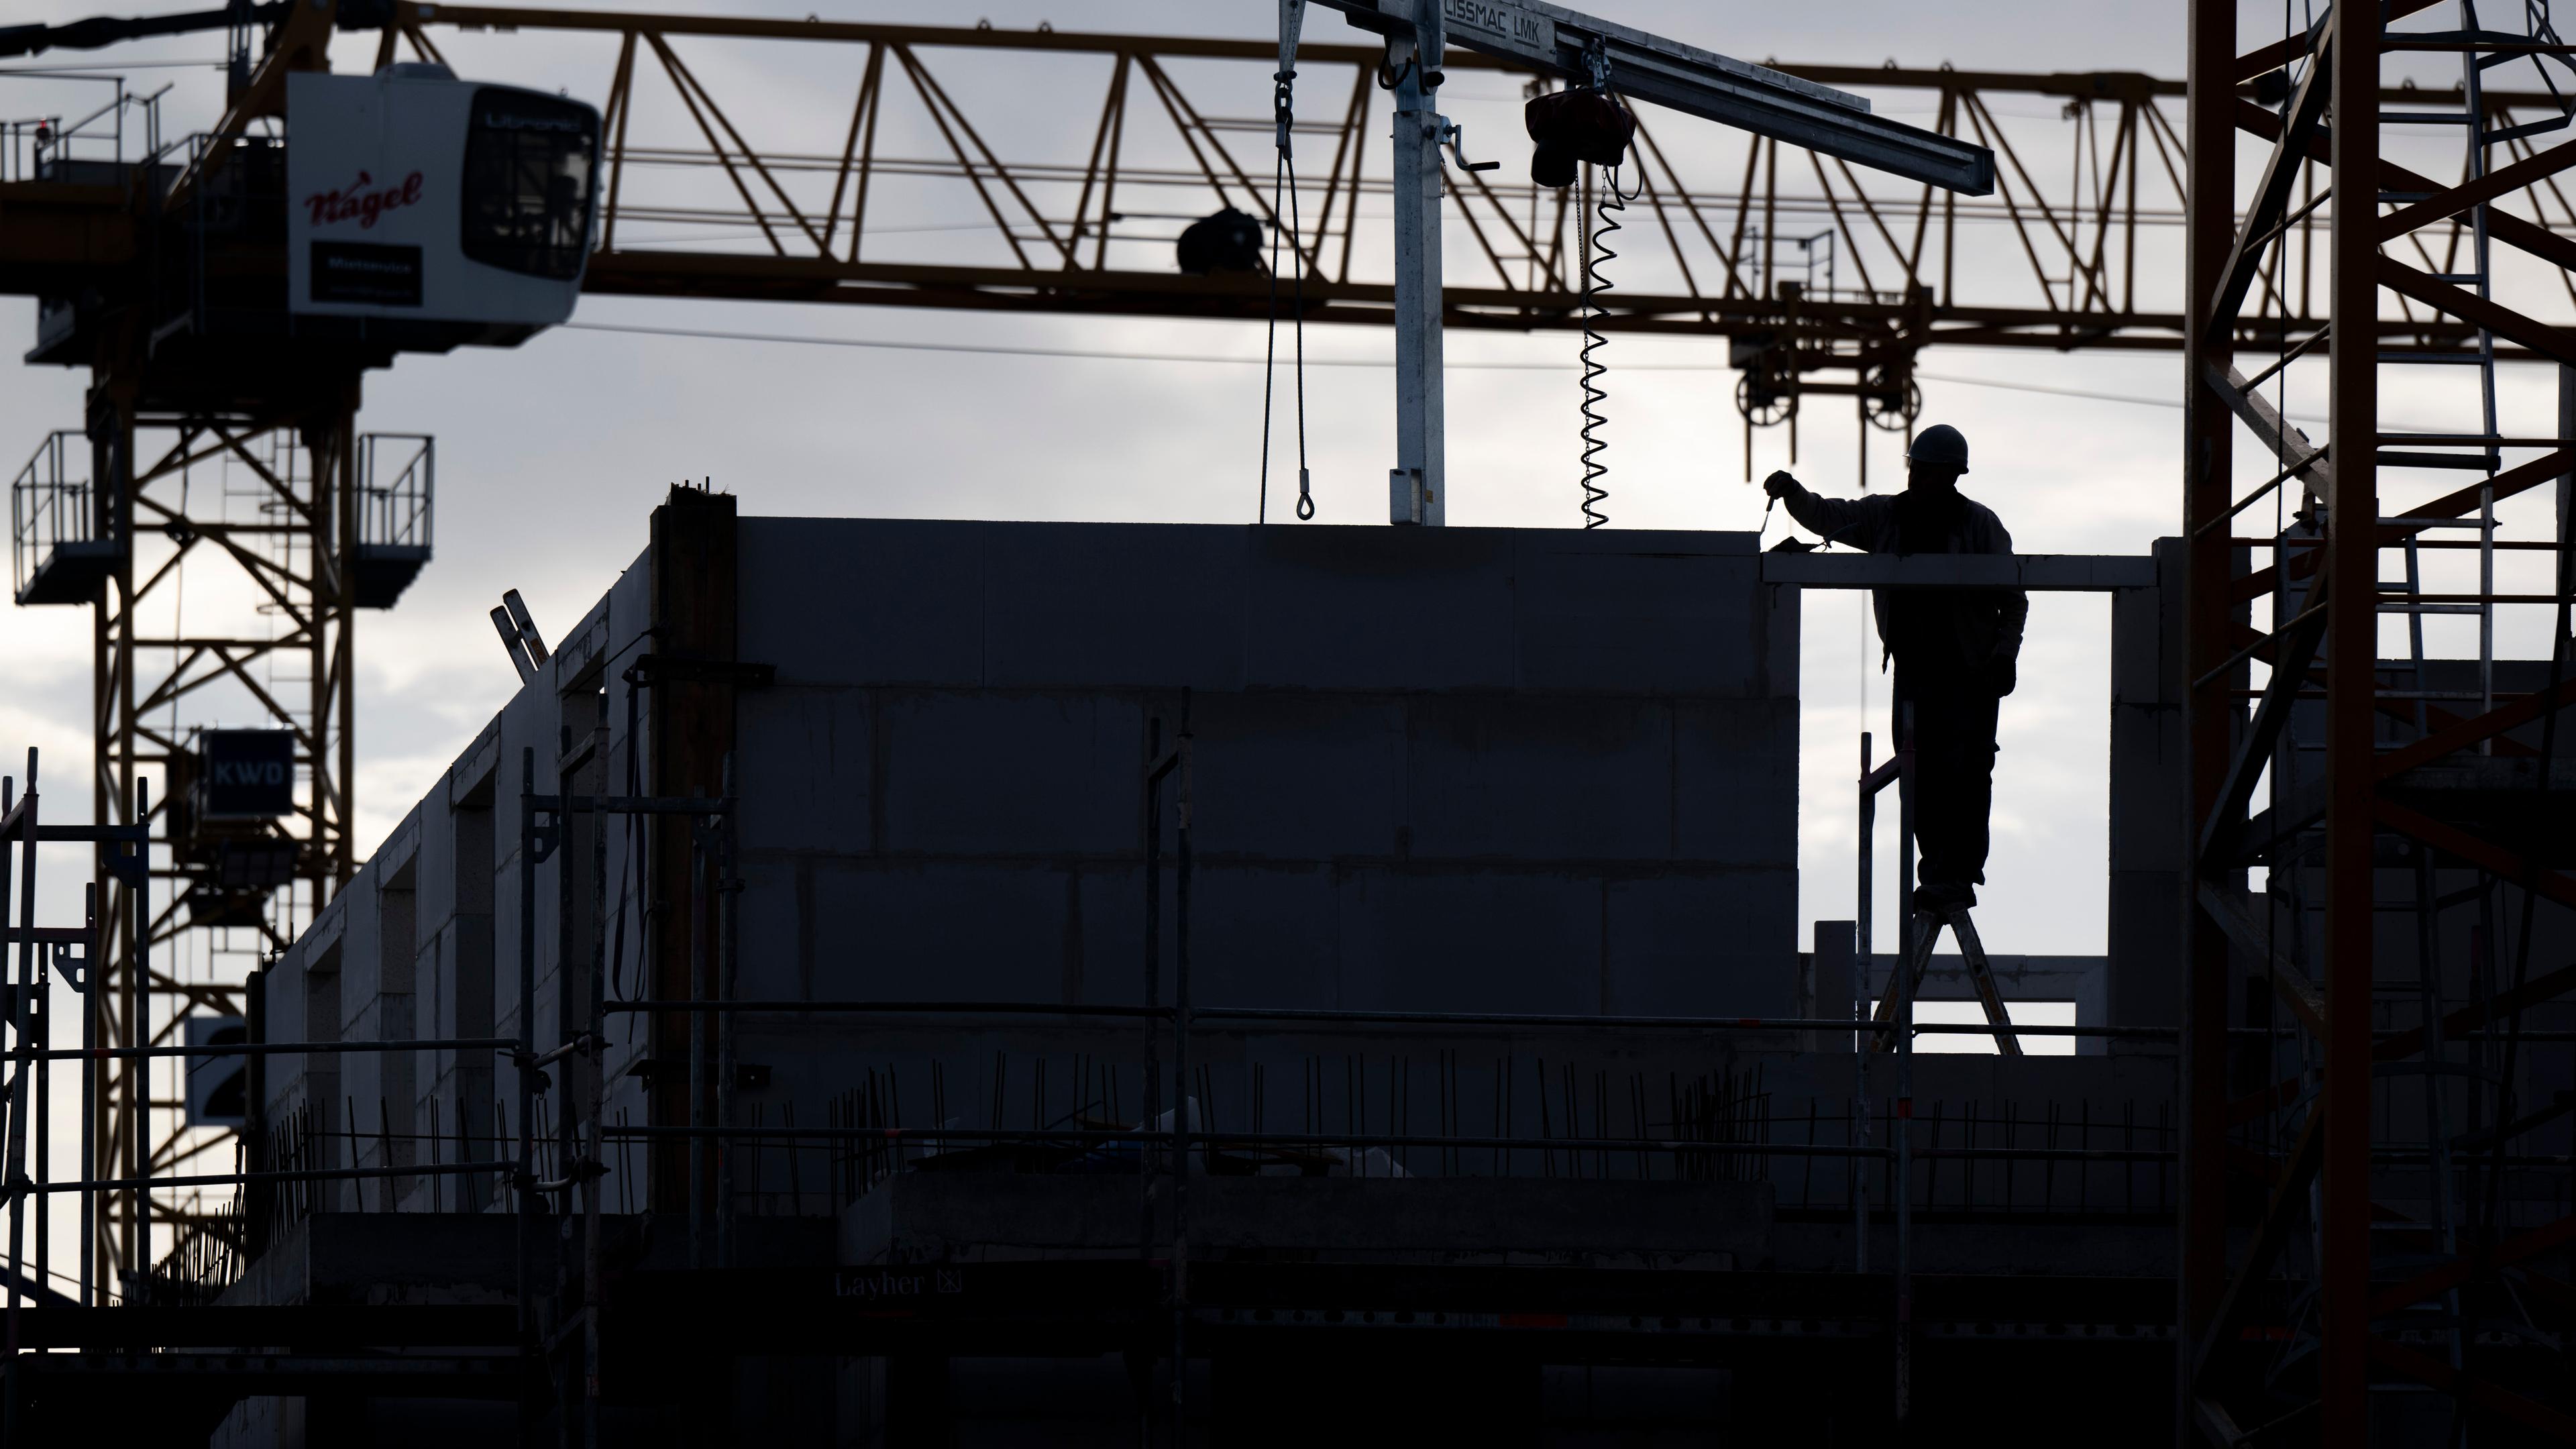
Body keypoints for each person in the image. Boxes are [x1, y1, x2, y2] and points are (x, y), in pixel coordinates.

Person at [1764, 424, 2027, 914]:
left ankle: (1959, 872)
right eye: (1917, 470)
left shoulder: (1979, 526)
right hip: (1916, 670)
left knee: (1968, 771)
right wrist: (1794, 495)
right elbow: (1829, 516)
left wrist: (2004, 656)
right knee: (1918, 770)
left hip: (1970, 673)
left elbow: (2012, 599)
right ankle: (1937, 872)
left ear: (1952, 476)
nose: (1920, 479)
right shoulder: (1887, 517)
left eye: (1929, 472)